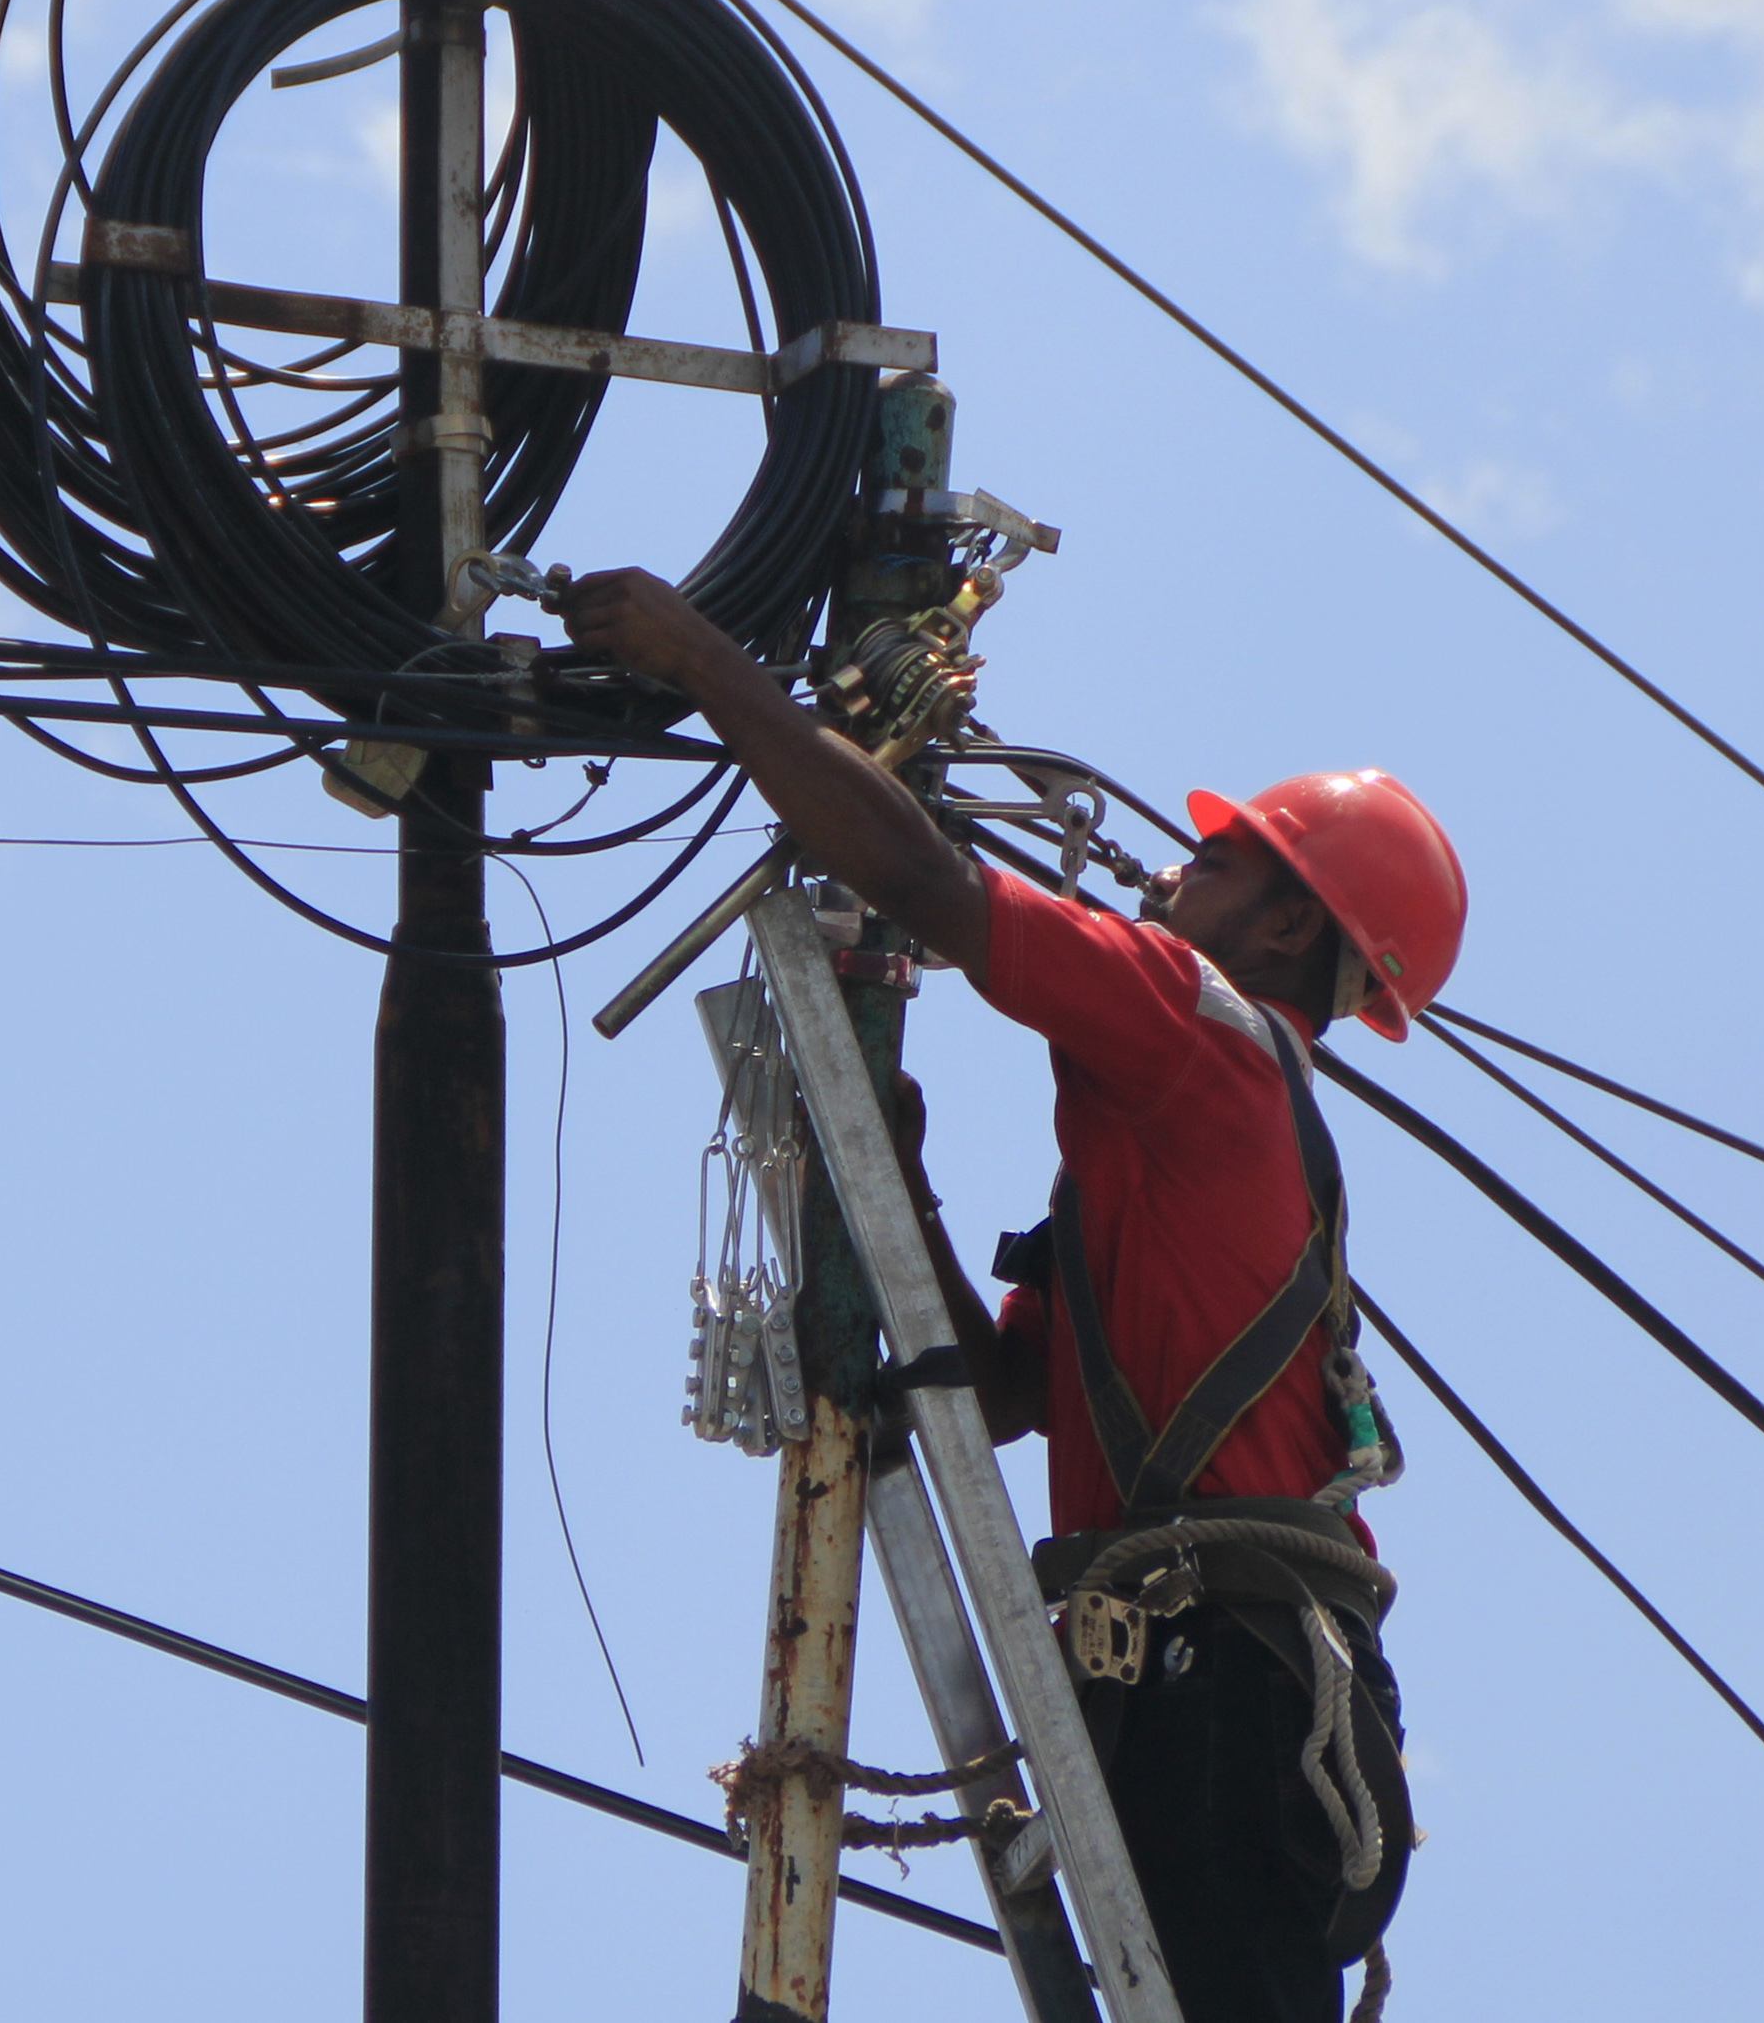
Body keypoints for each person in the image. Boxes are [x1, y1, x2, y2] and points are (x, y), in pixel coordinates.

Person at [556, 567, 1468, 2023]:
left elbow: (928, 885)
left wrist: (708, 668)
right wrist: (894, 1180)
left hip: (1221, 1688)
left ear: (1293, 931)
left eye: (1216, 868)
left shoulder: (1199, 1030)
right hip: (1196, 1690)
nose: (1170, 878)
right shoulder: (1166, 1154)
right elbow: (999, 1398)